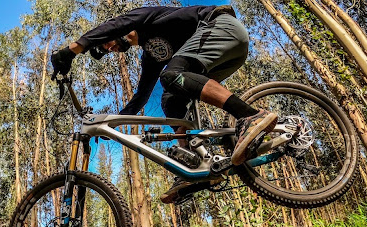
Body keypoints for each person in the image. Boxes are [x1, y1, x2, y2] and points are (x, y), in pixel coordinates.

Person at [50, 4, 277, 204]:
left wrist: (72, 50)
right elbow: (142, 95)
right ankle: (193, 164)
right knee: (170, 98)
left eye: (107, 43)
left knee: (171, 76)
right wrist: (114, 123)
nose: (110, 48)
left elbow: (115, 24)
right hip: (225, 55)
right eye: (107, 50)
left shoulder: (142, 17)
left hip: (221, 27)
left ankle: (250, 116)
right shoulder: (151, 56)